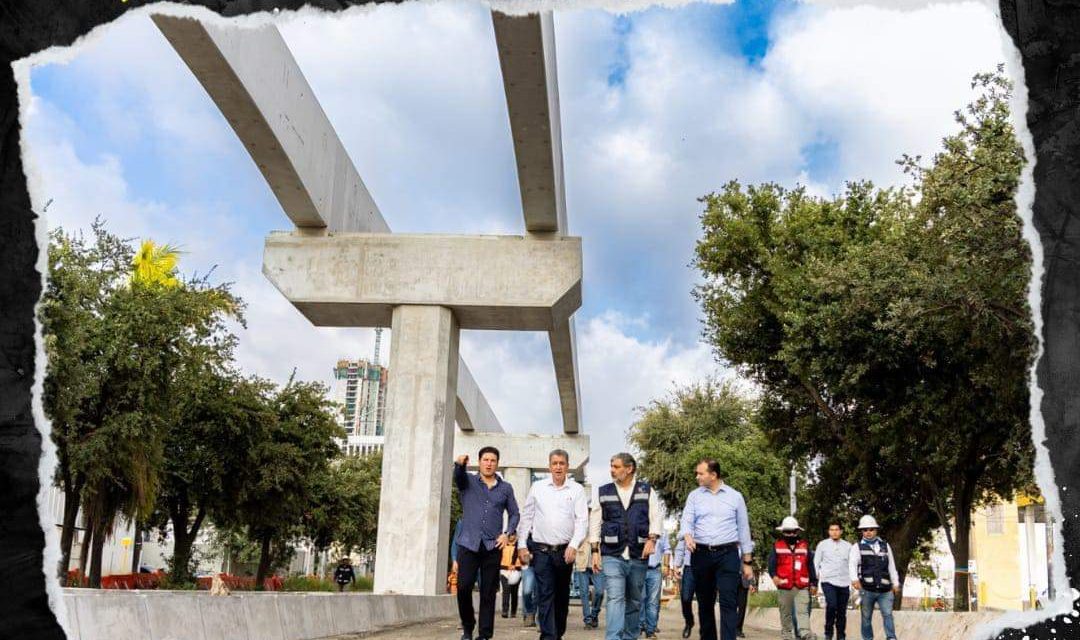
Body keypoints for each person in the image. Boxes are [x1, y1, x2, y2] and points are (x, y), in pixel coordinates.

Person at [678, 458, 755, 640]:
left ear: (713, 475)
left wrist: (747, 562)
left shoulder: (735, 497)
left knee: (729, 601)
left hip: (728, 554)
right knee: (705, 603)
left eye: (700, 473)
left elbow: (744, 530)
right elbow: (686, 519)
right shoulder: (694, 496)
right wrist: (687, 534)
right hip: (701, 554)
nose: (697, 476)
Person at [517, 449, 589, 640]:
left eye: (562, 463)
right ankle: (548, 636)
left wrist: (574, 545)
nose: (558, 467)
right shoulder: (537, 487)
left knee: (561, 597)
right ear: (549, 466)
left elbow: (582, 521)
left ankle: (557, 634)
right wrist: (522, 544)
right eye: (555, 463)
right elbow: (527, 517)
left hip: (564, 552)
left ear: (567, 466)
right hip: (541, 551)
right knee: (545, 594)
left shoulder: (576, 490)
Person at [590, 452, 662, 640]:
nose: (612, 470)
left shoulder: (646, 490)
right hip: (612, 554)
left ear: (629, 469)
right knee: (615, 597)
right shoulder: (603, 491)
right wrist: (595, 551)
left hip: (638, 555)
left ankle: (630, 636)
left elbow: (656, 516)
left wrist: (652, 539)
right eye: (611, 466)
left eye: (616, 467)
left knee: (635, 600)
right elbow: (595, 521)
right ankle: (613, 637)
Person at [454, 447, 521, 640]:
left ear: (497, 464)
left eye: (493, 460)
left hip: (493, 547)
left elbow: (515, 513)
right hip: (468, 544)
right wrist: (459, 464)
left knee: (488, 593)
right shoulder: (468, 481)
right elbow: (457, 476)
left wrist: (507, 534)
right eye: (485, 459)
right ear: (480, 461)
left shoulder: (506, 488)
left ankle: (484, 634)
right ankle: (468, 626)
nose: (489, 463)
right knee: (464, 587)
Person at [848, 515, 899, 640]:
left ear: (875, 530)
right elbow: (852, 564)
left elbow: (891, 565)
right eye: (865, 530)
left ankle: (891, 638)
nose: (868, 532)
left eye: (871, 529)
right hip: (866, 589)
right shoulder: (857, 547)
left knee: (888, 614)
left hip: (885, 589)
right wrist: (854, 579)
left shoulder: (885, 546)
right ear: (862, 531)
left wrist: (895, 582)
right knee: (866, 618)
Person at [767, 516, 818, 640]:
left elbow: (810, 565)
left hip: (802, 586)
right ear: (783, 532)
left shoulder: (805, 546)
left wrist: (814, 583)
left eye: (793, 531)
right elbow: (771, 565)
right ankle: (787, 635)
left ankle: (805, 633)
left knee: (803, 611)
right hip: (784, 586)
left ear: (797, 531)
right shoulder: (777, 546)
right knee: (785, 613)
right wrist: (774, 576)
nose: (790, 534)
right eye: (787, 532)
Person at [814, 522, 853, 640]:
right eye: (832, 530)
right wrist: (814, 582)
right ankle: (828, 633)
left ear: (841, 531)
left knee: (842, 611)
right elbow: (816, 564)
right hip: (828, 581)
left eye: (837, 530)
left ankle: (841, 635)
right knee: (831, 605)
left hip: (844, 582)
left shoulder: (848, 546)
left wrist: (855, 579)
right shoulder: (822, 545)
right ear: (829, 531)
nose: (834, 532)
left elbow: (853, 564)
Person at [640, 533, 670, 639]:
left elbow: (667, 550)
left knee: (653, 601)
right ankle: (640, 626)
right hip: (639, 568)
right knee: (640, 599)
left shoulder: (663, 531)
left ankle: (650, 630)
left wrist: (666, 566)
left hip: (655, 570)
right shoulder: (641, 526)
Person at [573, 539, 605, 629]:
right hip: (582, 559)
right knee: (584, 593)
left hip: (598, 562)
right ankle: (587, 620)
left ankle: (594, 615)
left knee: (600, 592)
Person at [673, 538, 696, 639]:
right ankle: (689, 621)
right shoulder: (687, 525)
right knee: (685, 597)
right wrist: (676, 565)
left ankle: (707, 630)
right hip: (689, 567)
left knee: (707, 601)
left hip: (706, 567)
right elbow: (680, 548)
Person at [501, 539, 523, 619]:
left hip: (516, 571)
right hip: (504, 570)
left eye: (513, 534)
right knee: (506, 590)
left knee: (514, 591)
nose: (511, 536)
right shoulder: (503, 544)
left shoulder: (519, 545)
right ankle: (505, 610)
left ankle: (513, 611)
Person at [735, 564, 754, 638]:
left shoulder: (745, 553)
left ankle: (738, 629)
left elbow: (749, 567)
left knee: (742, 607)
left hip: (744, 583)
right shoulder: (728, 552)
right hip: (731, 583)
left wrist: (751, 583)